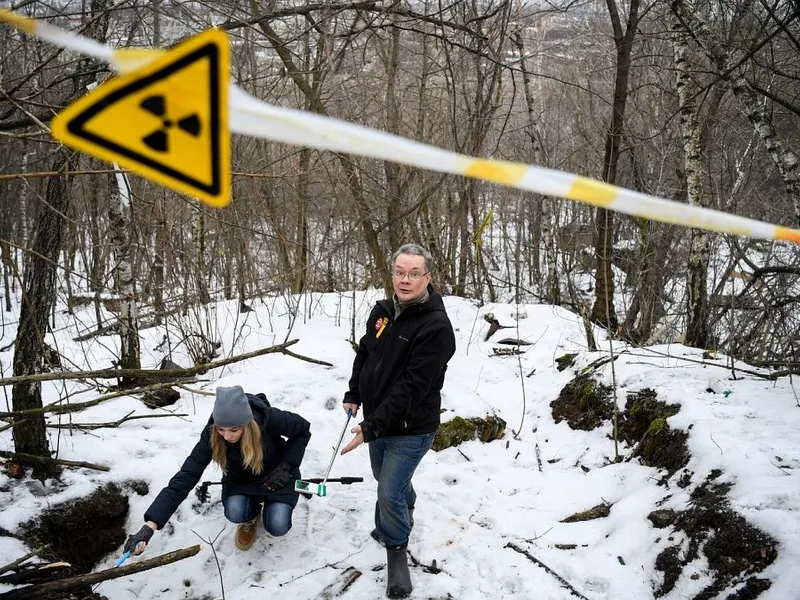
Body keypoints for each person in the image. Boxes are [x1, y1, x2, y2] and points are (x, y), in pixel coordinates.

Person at [340, 243, 456, 599]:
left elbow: (412, 388)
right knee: (386, 479)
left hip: (411, 427)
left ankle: (397, 554)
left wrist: (372, 428)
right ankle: (407, 507)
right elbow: (366, 353)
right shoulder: (383, 311)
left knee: (387, 491)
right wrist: (354, 393)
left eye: (414, 273)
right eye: (400, 272)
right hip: (377, 420)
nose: (405, 280)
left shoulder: (435, 327)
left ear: (428, 277)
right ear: (392, 273)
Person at [124, 386, 311, 555]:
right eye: (221, 430)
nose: (227, 436)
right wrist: (150, 526)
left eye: (234, 430)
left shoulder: (269, 419)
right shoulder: (212, 434)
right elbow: (186, 477)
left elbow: (303, 430)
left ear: (247, 423)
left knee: (277, 525)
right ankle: (251, 516)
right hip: (241, 480)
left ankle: (272, 508)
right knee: (235, 512)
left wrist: (287, 466)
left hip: (278, 476)